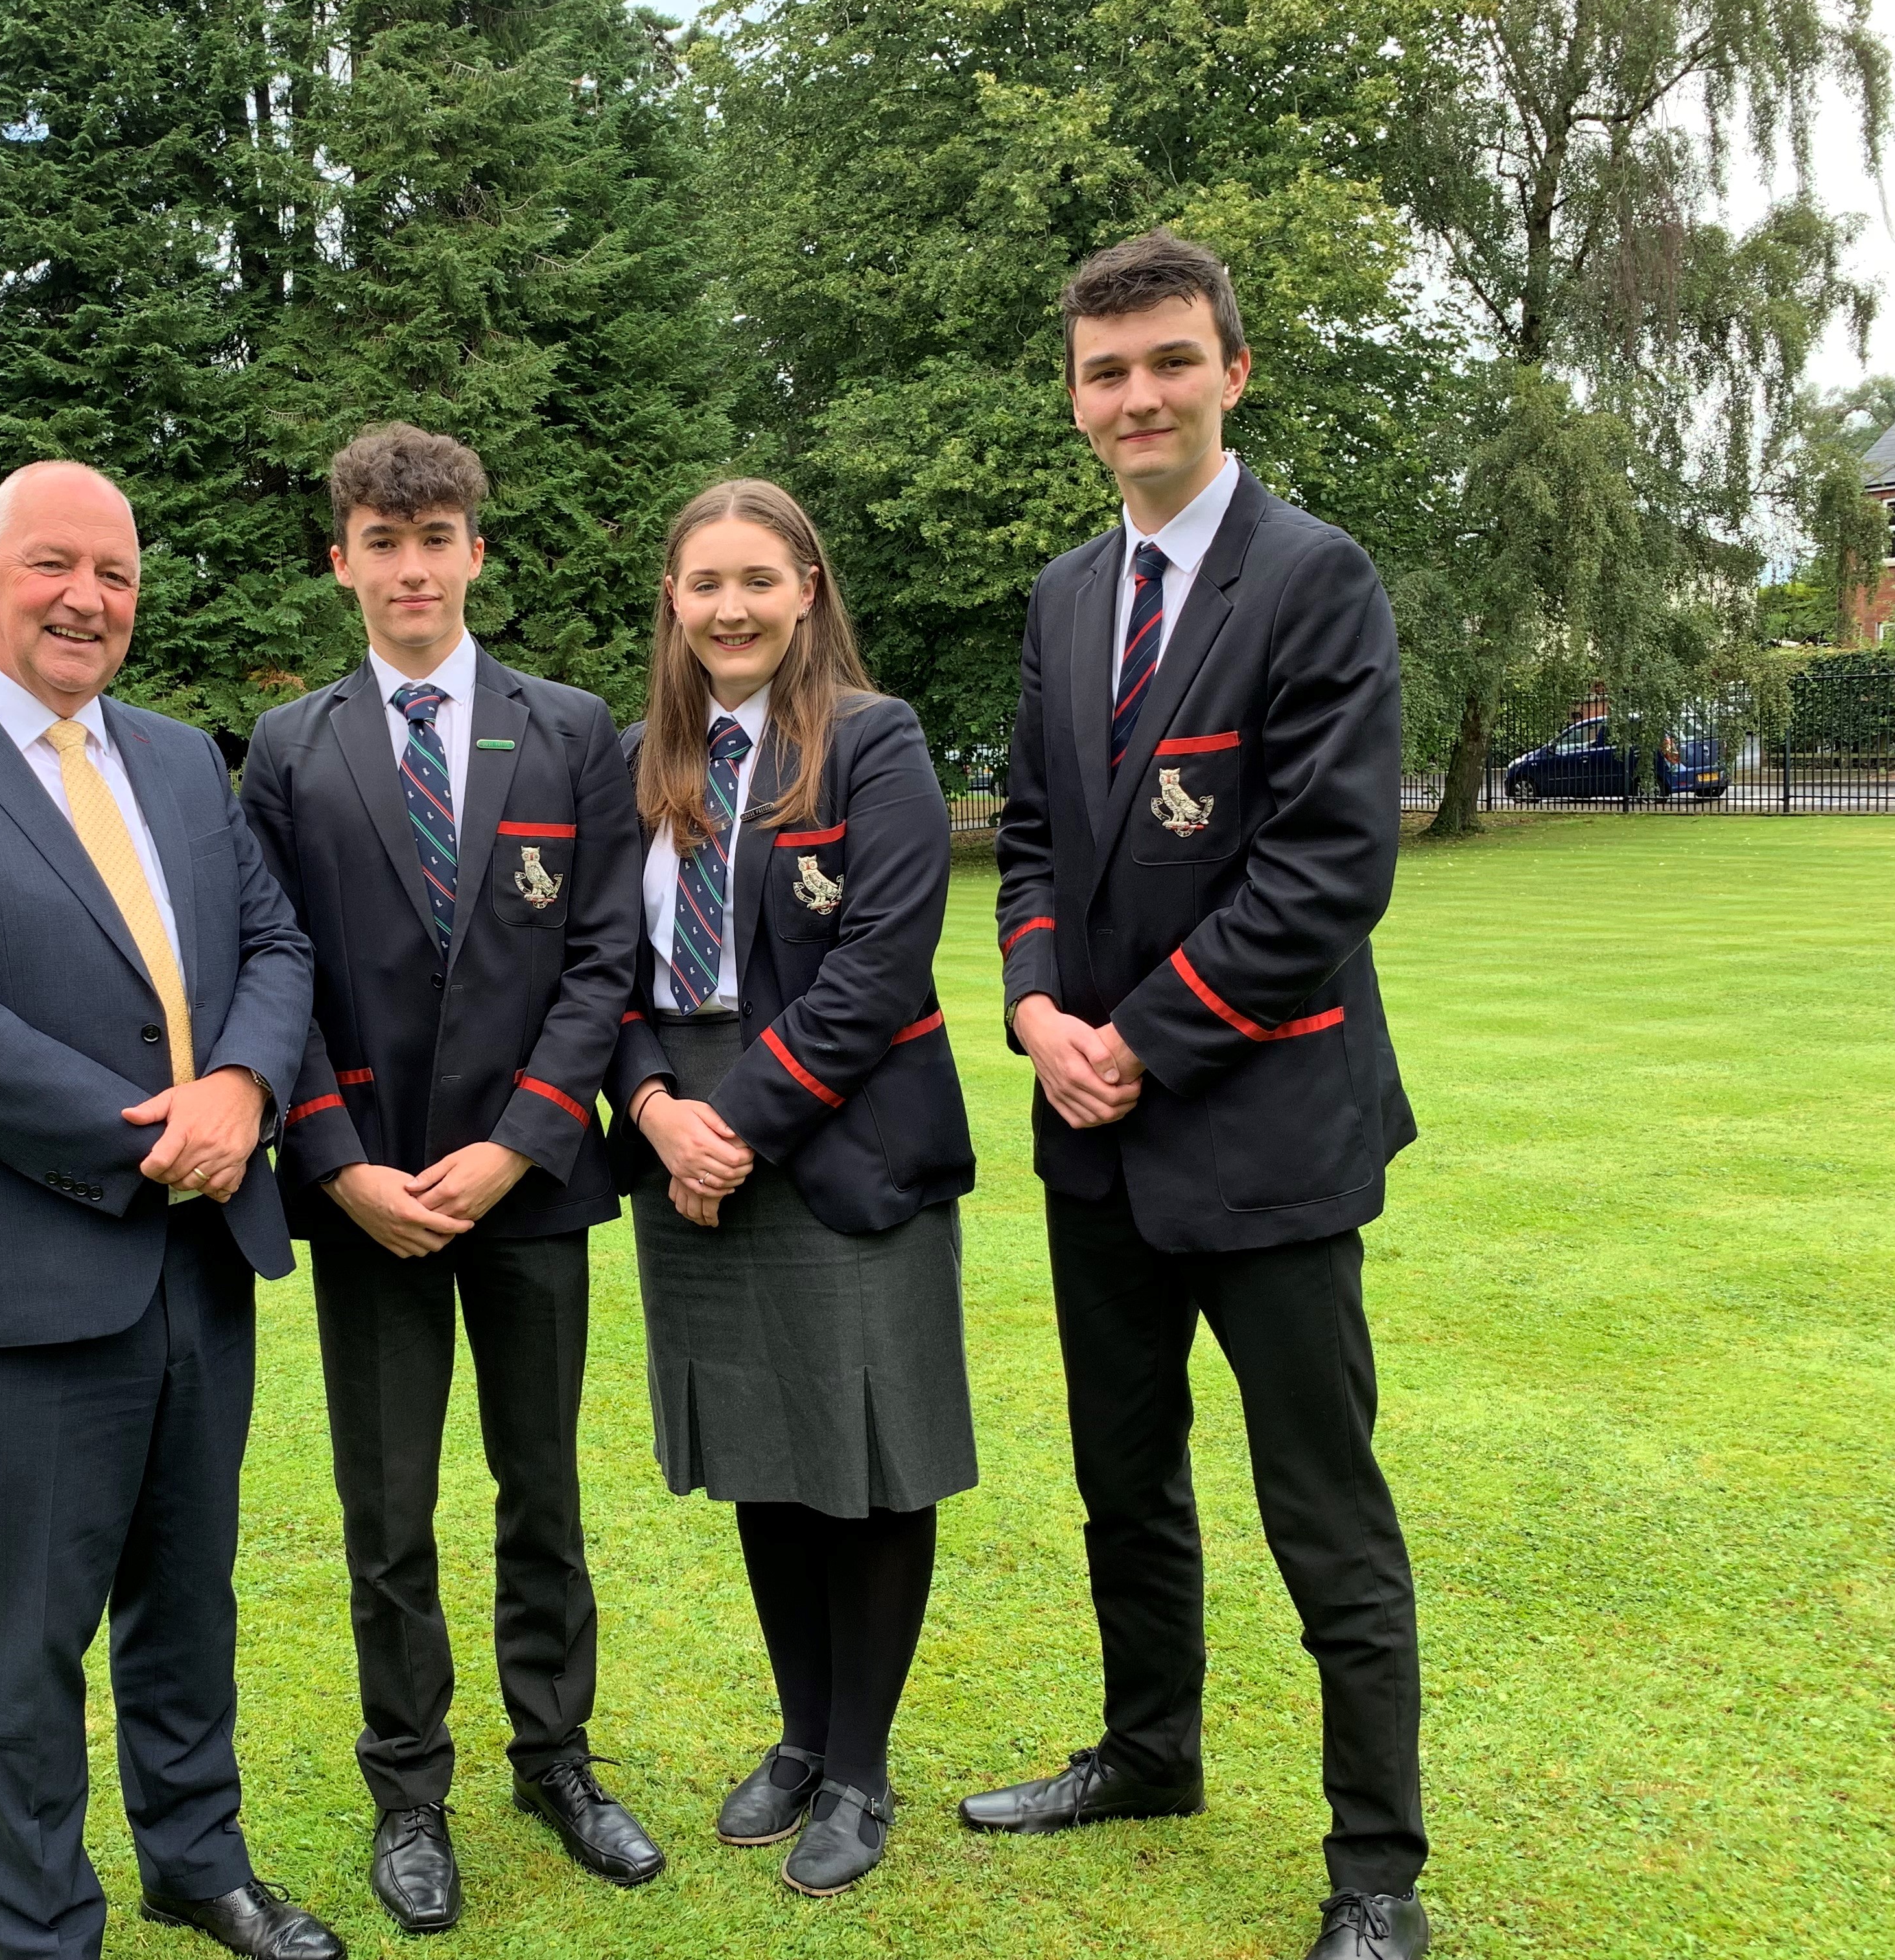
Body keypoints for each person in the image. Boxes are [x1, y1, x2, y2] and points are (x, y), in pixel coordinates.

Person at [0, 462, 344, 1960]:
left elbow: (276, 942)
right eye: (54, 565)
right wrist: (159, 1134)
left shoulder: (178, 760)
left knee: (189, 1599)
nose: (87, 599)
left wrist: (239, 1084)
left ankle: (195, 1860)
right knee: (29, 1643)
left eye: (114, 574)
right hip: (20, 1274)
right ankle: (45, 1929)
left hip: (197, 1263)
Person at [976, 231, 1429, 1960]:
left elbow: (1321, 879)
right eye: (1105, 371)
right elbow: (1029, 839)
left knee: (1324, 1512)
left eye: (1168, 360)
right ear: (1077, 394)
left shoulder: (1317, 580)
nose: (1136, 396)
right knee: (1125, 1482)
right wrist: (1032, 1007)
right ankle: (1149, 1754)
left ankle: (1376, 1876)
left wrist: (1135, 1041)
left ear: (1233, 371)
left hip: (1266, 1140)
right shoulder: (1065, 597)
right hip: (1091, 1144)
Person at [237, 423, 657, 1935]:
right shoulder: (290, 748)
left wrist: (519, 1141)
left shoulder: (569, 731)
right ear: (341, 558)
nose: (411, 569)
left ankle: (557, 1760)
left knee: (540, 1489)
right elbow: (272, 973)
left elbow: (605, 955)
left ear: (478, 551)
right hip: (367, 1208)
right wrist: (341, 1166)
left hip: (528, 1189)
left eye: (436, 540)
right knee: (389, 1509)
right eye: (381, 541)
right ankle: (408, 1791)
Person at [605, 479, 977, 1898]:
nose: (732, 608)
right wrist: (652, 1109)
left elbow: (878, 967)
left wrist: (731, 1125)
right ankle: (803, 1735)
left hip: (834, 1141)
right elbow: (602, 967)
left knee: (865, 1463)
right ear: (676, 601)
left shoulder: (874, 744)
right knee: (765, 1447)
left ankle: (865, 1768)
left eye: (759, 579)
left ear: (807, 589)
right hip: (682, 1142)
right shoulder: (645, 756)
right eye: (705, 584)